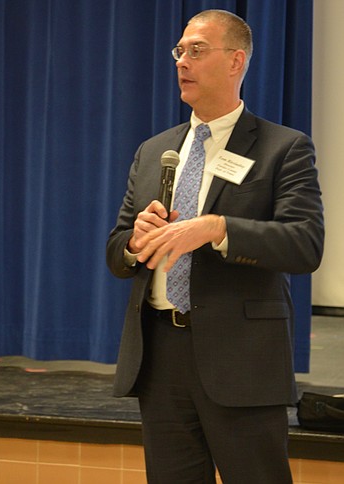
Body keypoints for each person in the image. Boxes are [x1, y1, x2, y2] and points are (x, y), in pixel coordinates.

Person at [106, 10, 324, 483]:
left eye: (197, 50)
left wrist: (218, 228)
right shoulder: (154, 151)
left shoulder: (281, 147)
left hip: (241, 360)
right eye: (179, 51)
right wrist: (135, 242)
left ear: (235, 61)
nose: (183, 61)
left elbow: (305, 244)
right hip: (160, 356)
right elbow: (118, 249)